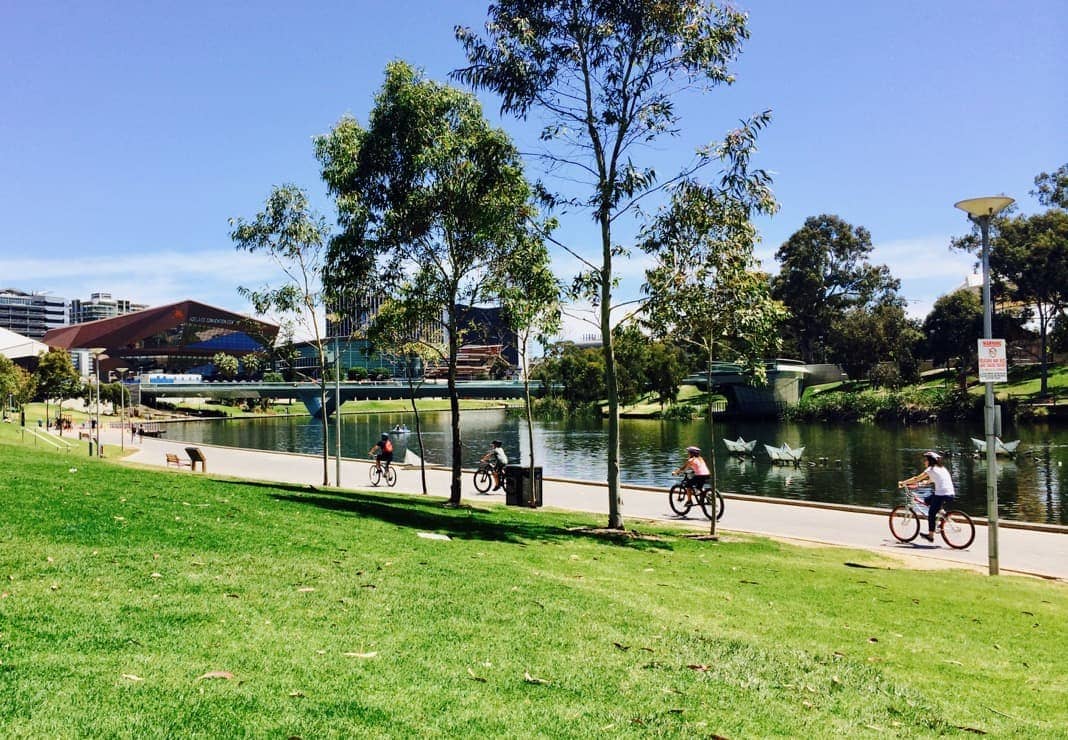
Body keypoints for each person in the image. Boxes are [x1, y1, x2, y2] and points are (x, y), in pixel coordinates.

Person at [899, 451, 956, 542]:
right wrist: (921, 484)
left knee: (931, 513)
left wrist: (903, 483)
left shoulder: (930, 469)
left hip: (941, 494)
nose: (924, 462)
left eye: (925, 460)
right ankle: (942, 513)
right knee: (927, 500)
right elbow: (932, 480)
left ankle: (930, 536)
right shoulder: (941, 468)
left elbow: (916, 478)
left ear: (930, 461)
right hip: (950, 493)